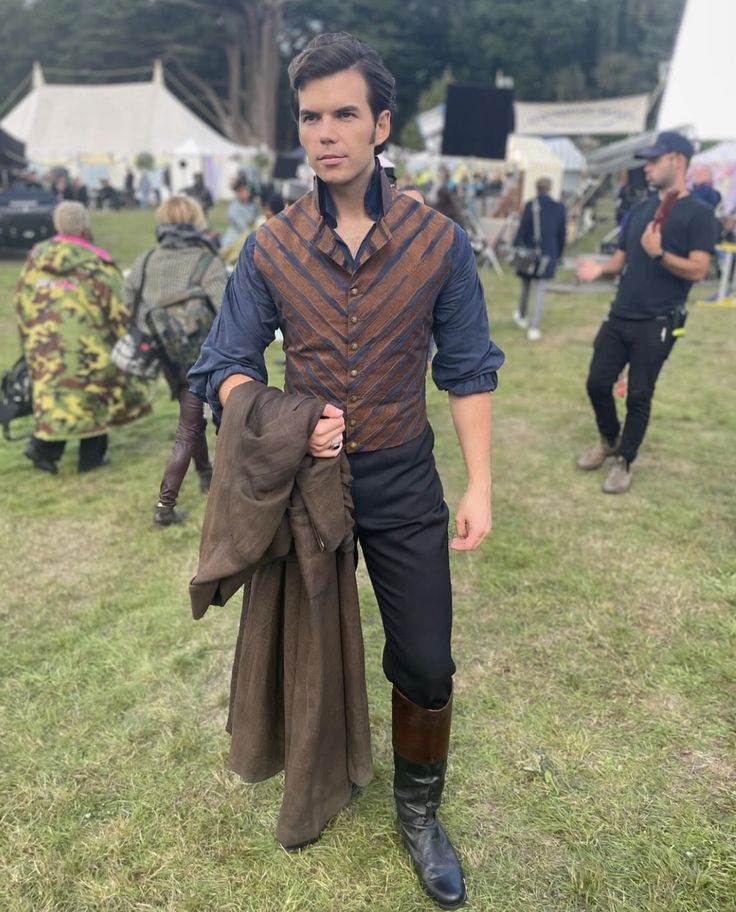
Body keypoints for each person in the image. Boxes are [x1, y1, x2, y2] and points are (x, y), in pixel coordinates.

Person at [188, 32, 503, 909]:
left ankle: (418, 814)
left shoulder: (440, 243)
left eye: (344, 115)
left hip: (404, 475)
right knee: (311, 647)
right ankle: (318, 784)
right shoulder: (272, 246)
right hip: (311, 484)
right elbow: (225, 364)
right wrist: (291, 419)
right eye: (310, 117)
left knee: (428, 660)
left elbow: (468, 367)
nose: (325, 133)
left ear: (381, 125)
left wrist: (478, 485)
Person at [575, 131, 717, 495]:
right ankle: (609, 439)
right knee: (596, 383)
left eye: (655, 160)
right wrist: (599, 268)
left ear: (678, 161)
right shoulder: (640, 209)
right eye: (648, 161)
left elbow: (699, 270)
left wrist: (658, 253)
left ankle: (625, 460)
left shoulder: (699, 214)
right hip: (621, 313)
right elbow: (622, 257)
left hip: (658, 321)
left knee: (639, 394)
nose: (648, 167)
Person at [15, 201, 151, 474]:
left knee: (55, 397)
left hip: (44, 344)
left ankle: (42, 448)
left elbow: (21, 303)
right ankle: (91, 458)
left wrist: (31, 338)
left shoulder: (34, 262)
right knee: (93, 397)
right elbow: (120, 310)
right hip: (90, 346)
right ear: (85, 225)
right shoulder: (98, 265)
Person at [122, 195, 228, 525]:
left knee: (189, 419)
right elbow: (227, 306)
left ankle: (206, 475)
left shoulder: (146, 260)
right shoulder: (206, 261)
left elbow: (129, 300)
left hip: (168, 357)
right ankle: (165, 507)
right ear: (196, 220)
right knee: (201, 425)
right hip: (206, 355)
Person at [512, 177, 566, 341]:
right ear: (550, 188)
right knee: (540, 290)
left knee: (526, 286)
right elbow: (561, 234)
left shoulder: (530, 205)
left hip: (530, 252)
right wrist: (558, 255)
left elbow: (522, 230)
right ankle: (534, 327)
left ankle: (521, 316)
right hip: (548, 252)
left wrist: (516, 247)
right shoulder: (559, 207)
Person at [220, 179, 257, 249]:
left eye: (245, 191)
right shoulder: (234, 207)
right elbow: (240, 225)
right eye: (241, 191)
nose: (244, 193)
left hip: (248, 236)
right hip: (235, 237)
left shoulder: (251, 206)